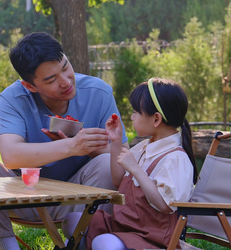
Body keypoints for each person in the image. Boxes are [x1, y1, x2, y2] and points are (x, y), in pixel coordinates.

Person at [0, 32, 128, 250]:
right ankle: (7, 246)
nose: (65, 82)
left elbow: (122, 155)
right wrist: (71, 146)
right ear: (30, 86)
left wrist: (89, 148)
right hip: (23, 196)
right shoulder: (14, 97)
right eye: (51, 80)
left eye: (65, 68)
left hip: (78, 200)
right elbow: (10, 157)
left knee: (107, 163)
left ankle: (71, 244)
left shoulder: (98, 92)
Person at [75, 78, 198, 250]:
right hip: (124, 226)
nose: (132, 117)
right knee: (74, 222)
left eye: (135, 112)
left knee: (103, 243)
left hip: (152, 237)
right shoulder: (145, 147)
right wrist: (116, 141)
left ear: (156, 119)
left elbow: (165, 205)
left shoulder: (176, 159)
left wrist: (136, 169)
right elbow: (118, 180)